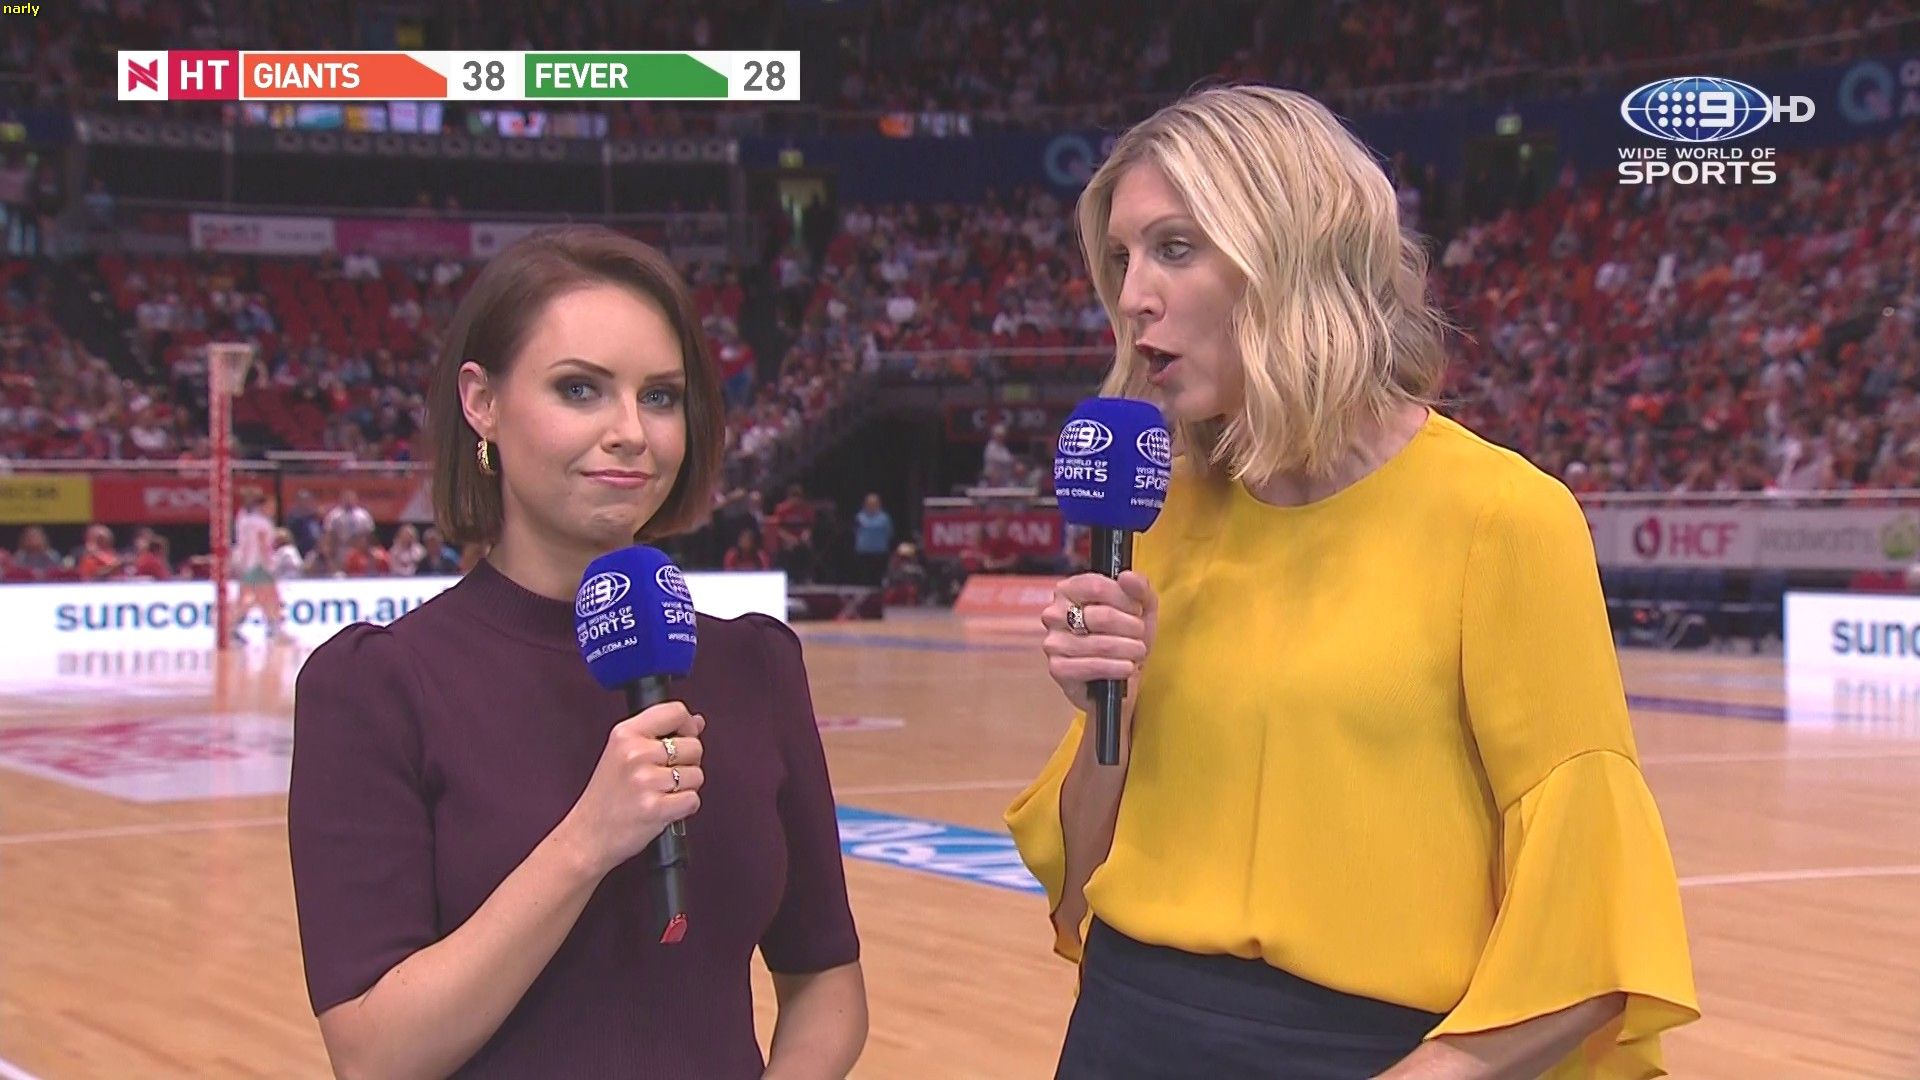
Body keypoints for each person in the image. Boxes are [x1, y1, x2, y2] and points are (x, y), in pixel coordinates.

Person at [1005, 86, 1698, 1079]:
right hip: (1125, 1031)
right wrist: (1106, 710)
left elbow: (1590, 933)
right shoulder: (1160, 516)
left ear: (1294, 255)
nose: (1133, 296)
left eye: (1174, 248)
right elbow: (1083, 886)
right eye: (1121, 258)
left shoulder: (1502, 518)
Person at [288, 227, 867, 1079]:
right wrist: (588, 841)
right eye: (580, 389)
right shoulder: (378, 686)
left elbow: (824, 979)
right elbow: (376, 1055)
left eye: (660, 396)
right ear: (482, 402)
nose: (630, 431)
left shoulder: (756, 666)